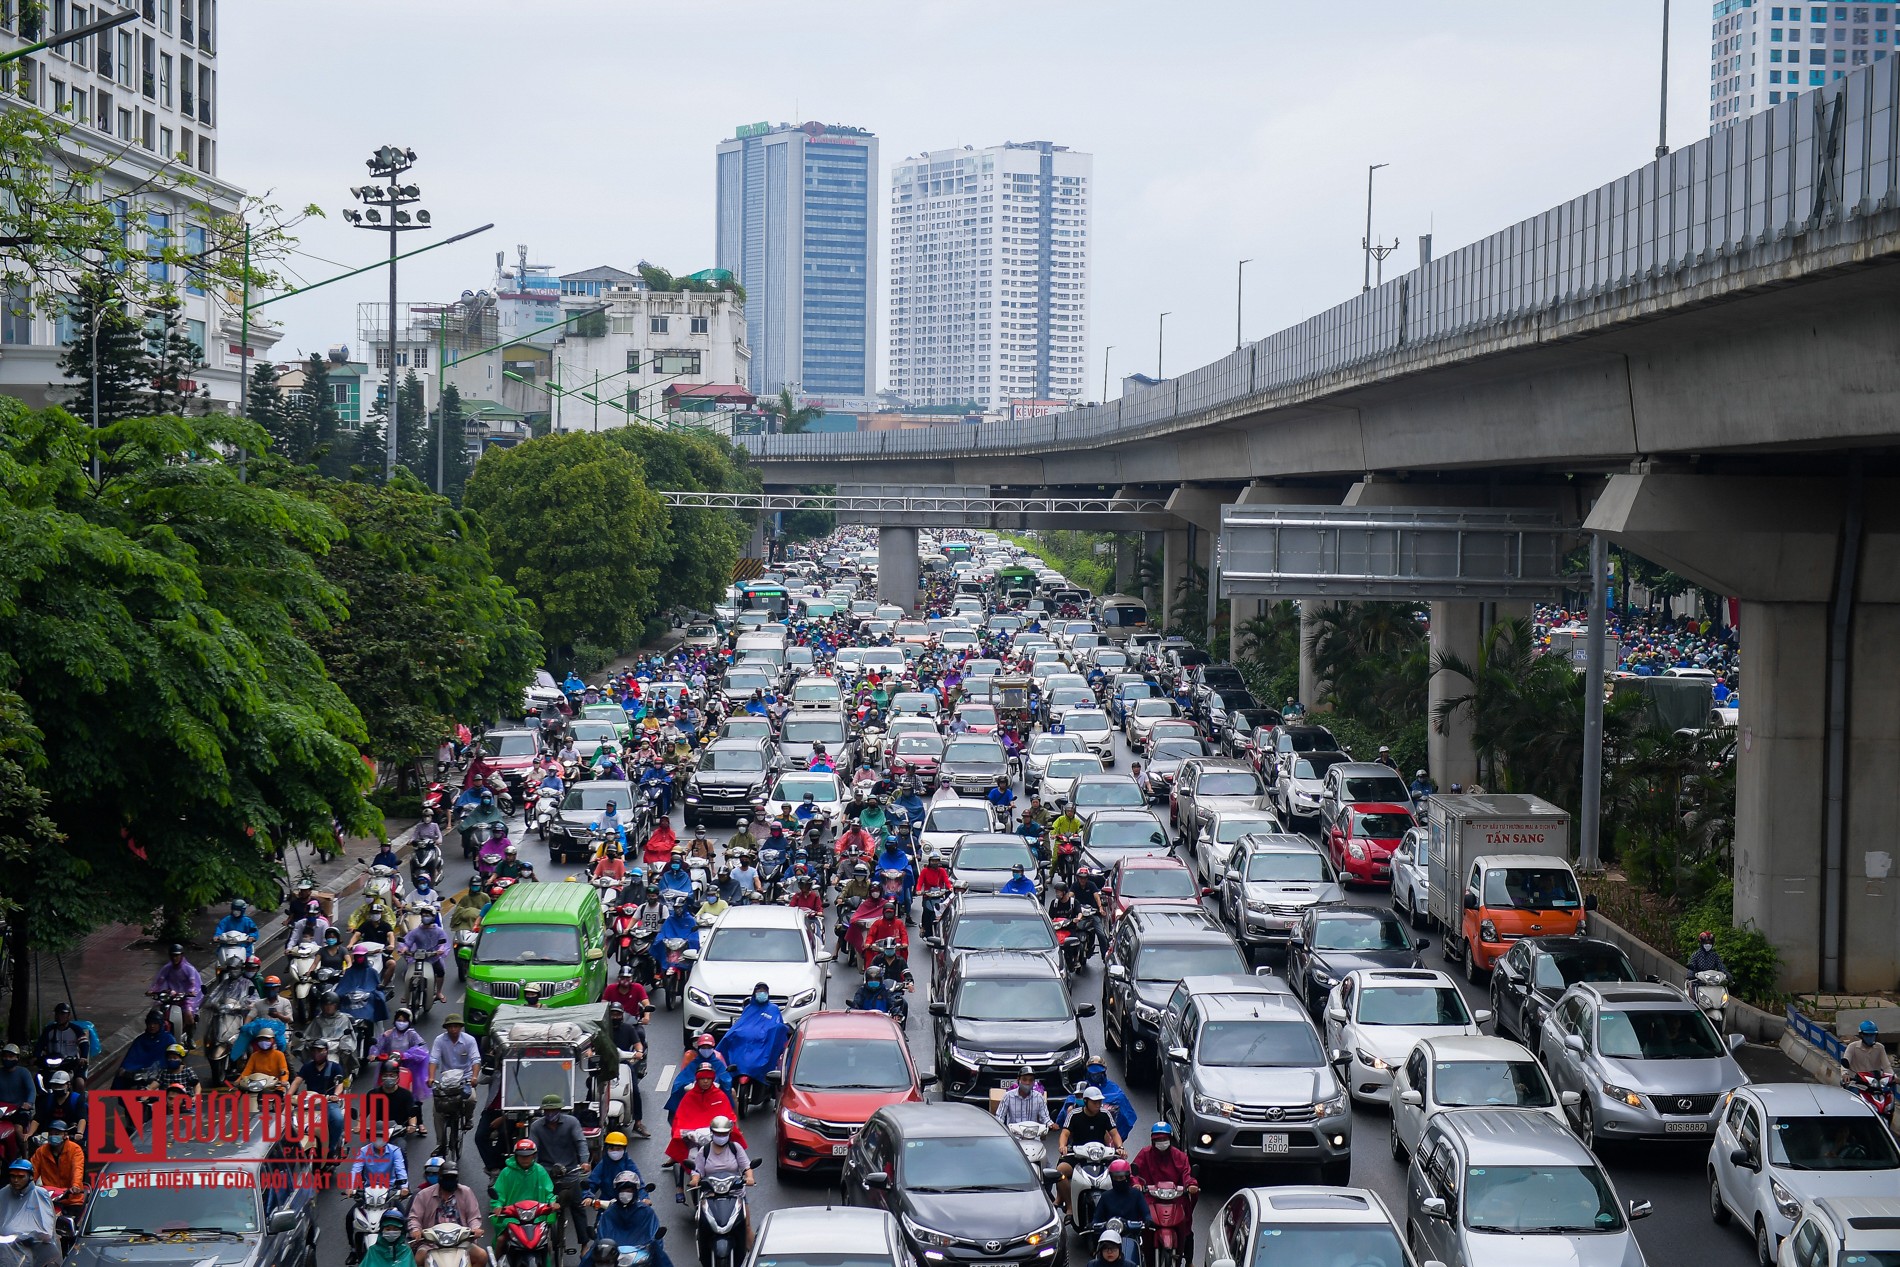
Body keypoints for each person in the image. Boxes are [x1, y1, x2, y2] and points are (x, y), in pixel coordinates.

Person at [529, 1094, 593, 1247]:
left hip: (569, 1171)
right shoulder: (536, 1126)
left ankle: (584, 1245)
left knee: (578, 1206)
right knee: (535, 1205)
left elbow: (581, 1142)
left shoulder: (572, 1122)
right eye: (547, 1111)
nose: (550, 1113)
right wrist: (531, 1168)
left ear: (560, 1110)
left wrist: (584, 1162)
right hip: (546, 1171)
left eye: (554, 1110)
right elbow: (533, 1150)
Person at [685, 1116, 757, 1251]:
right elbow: (697, 1171)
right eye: (718, 1133)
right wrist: (695, 1180)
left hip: (735, 1192)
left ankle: (754, 1257)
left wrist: (749, 1178)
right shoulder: (704, 1151)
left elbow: (746, 1167)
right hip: (711, 1193)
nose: (721, 1136)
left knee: (746, 1226)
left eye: (724, 1133)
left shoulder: (735, 1148)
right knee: (703, 1225)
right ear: (712, 1132)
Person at [1056, 1087, 1124, 1211]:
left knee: (1121, 1169)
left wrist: (1120, 1148)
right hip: (1077, 1154)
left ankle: (1119, 1205)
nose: (1098, 1105)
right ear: (1086, 1101)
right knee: (1060, 1171)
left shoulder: (1105, 1114)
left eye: (1099, 1102)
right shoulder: (1074, 1114)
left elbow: (1114, 1133)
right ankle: (1070, 1206)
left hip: (1100, 1154)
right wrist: (1063, 1146)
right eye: (1094, 1102)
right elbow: (1064, 1133)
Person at [408, 1162, 488, 1265]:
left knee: (482, 1256)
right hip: (432, 1243)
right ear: (440, 1178)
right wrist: (416, 1230)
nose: (450, 1180)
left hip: (460, 1241)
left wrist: (475, 1228)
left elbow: (473, 1217)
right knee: (418, 1259)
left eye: (452, 1177)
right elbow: (414, 1218)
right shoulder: (424, 1195)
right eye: (447, 1177)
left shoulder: (466, 1192)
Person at [716, 985, 790, 1090]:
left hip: (763, 1041)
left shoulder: (773, 1009)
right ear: (754, 993)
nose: (762, 993)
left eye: (764, 991)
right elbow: (742, 1024)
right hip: (746, 1041)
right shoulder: (749, 1008)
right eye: (759, 991)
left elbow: (777, 1025)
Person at [590, 1174, 671, 1267]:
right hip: (612, 1256)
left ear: (635, 1192)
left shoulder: (645, 1211)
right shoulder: (609, 1212)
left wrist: (654, 1244)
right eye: (622, 1190)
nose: (625, 1193)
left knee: (660, 1256)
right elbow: (602, 1235)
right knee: (591, 1256)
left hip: (640, 1255)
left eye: (629, 1191)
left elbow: (654, 1235)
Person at [491, 1139, 556, 1241]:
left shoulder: (540, 1171)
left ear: (533, 1156)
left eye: (528, 1156)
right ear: (516, 1156)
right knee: (501, 1240)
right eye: (522, 1156)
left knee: (546, 1243)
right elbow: (499, 1193)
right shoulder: (506, 1173)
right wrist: (498, 1206)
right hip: (513, 1218)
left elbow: (549, 1192)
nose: (525, 1159)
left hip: (537, 1218)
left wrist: (552, 1202)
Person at [291, 1039, 349, 1147]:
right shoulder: (307, 1067)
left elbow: (340, 1084)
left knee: (337, 1119)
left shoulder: (335, 1067)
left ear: (326, 1051)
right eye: (314, 1050)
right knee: (289, 1119)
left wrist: (335, 1095)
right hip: (308, 1102)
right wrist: (288, 1095)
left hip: (328, 1102)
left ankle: (332, 1147)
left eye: (320, 1050)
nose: (316, 1053)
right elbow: (297, 1081)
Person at [0, 1158, 57, 1267]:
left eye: (21, 1177)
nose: (16, 1180)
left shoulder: (39, 1194)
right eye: (13, 1176)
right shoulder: (3, 1193)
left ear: (30, 1177)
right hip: (4, 1250)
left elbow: (46, 1232)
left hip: (30, 1250)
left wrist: (23, 1236)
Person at [148, 943, 204, 1039]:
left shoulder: (188, 969)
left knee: (189, 1016)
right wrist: (152, 990)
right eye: (172, 955)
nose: (175, 958)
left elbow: (192, 983)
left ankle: (190, 1038)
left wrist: (190, 992)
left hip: (185, 997)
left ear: (182, 955)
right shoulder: (167, 968)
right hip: (170, 996)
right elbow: (159, 981)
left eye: (177, 955)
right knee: (154, 1012)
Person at [1070, 1060, 1138, 1135]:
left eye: (1098, 1073)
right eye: (1093, 1073)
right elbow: (1071, 1099)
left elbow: (1121, 1100)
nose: (1095, 1075)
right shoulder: (1084, 1085)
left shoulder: (1112, 1087)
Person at [32, 1003, 97, 1079]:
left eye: (63, 1014)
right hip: (52, 1064)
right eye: (57, 1013)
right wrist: (35, 1056)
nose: (59, 1016)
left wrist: (83, 1057)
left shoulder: (76, 1030)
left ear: (68, 1015)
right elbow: (40, 1044)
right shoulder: (49, 1030)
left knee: (79, 1082)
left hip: (71, 1064)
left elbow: (84, 1044)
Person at [115, 1011, 177, 1088]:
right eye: (150, 1023)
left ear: (160, 1024)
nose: (152, 1026)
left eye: (155, 1023)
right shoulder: (140, 1040)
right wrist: (125, 1070)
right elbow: (130, 1059)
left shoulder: (168, 1039)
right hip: (140, 1076)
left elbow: (173, 1058)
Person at [367, 1053, 423, 1137]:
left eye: (391, 1075)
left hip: (398, 1131)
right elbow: (364, 1112)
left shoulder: (406, 1094)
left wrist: (412, 1125)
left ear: (397, 1076)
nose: (388, 1078)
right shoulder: (372, 1093)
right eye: (385, 1075)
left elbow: (411, 1113)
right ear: (381, 1076)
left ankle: (421, 1124)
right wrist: (359, 1125)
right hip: (378, 1131)